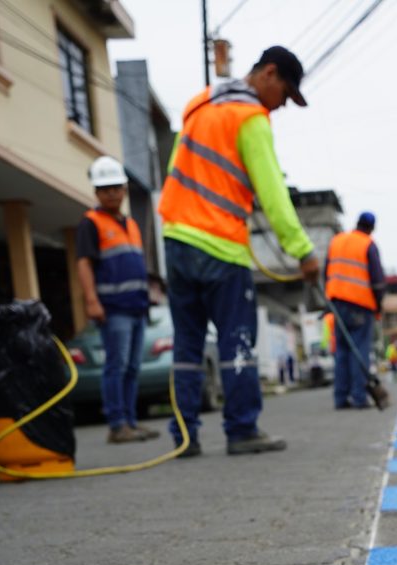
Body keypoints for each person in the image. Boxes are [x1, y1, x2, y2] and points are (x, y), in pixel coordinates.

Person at [157, 46, 320, 457]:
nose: (281, 106)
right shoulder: (250, 118)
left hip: (176, 238)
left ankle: (184, 437)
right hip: (220, 247)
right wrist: (302, 250)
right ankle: (242, 429)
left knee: (187, 345)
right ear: (268, 73)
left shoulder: (201, 103)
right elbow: (273, 193)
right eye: (284, 94)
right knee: (238, 340)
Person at [75, 156, 156, 444]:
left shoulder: (131, 224)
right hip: (113, 309)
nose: (112, 193)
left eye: (116, 187)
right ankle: (117, 424)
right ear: (97, 192)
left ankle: (131, 422)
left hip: (136, 308)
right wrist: (92, 301)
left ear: (124, 189)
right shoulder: (91, 223)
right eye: (105, 188)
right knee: (116, 366)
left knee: (132, 367)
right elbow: (84, 263)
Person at [325, 211, 386, 410]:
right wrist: (378, 305)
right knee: (359, 350)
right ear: (371, 228)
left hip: (337, 303)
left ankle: (340, 398)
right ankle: (359, 397)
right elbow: (377, 280)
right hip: (360, 304)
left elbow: (327, 271)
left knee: (342, 351)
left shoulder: (337, 240)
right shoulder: (368, 244)